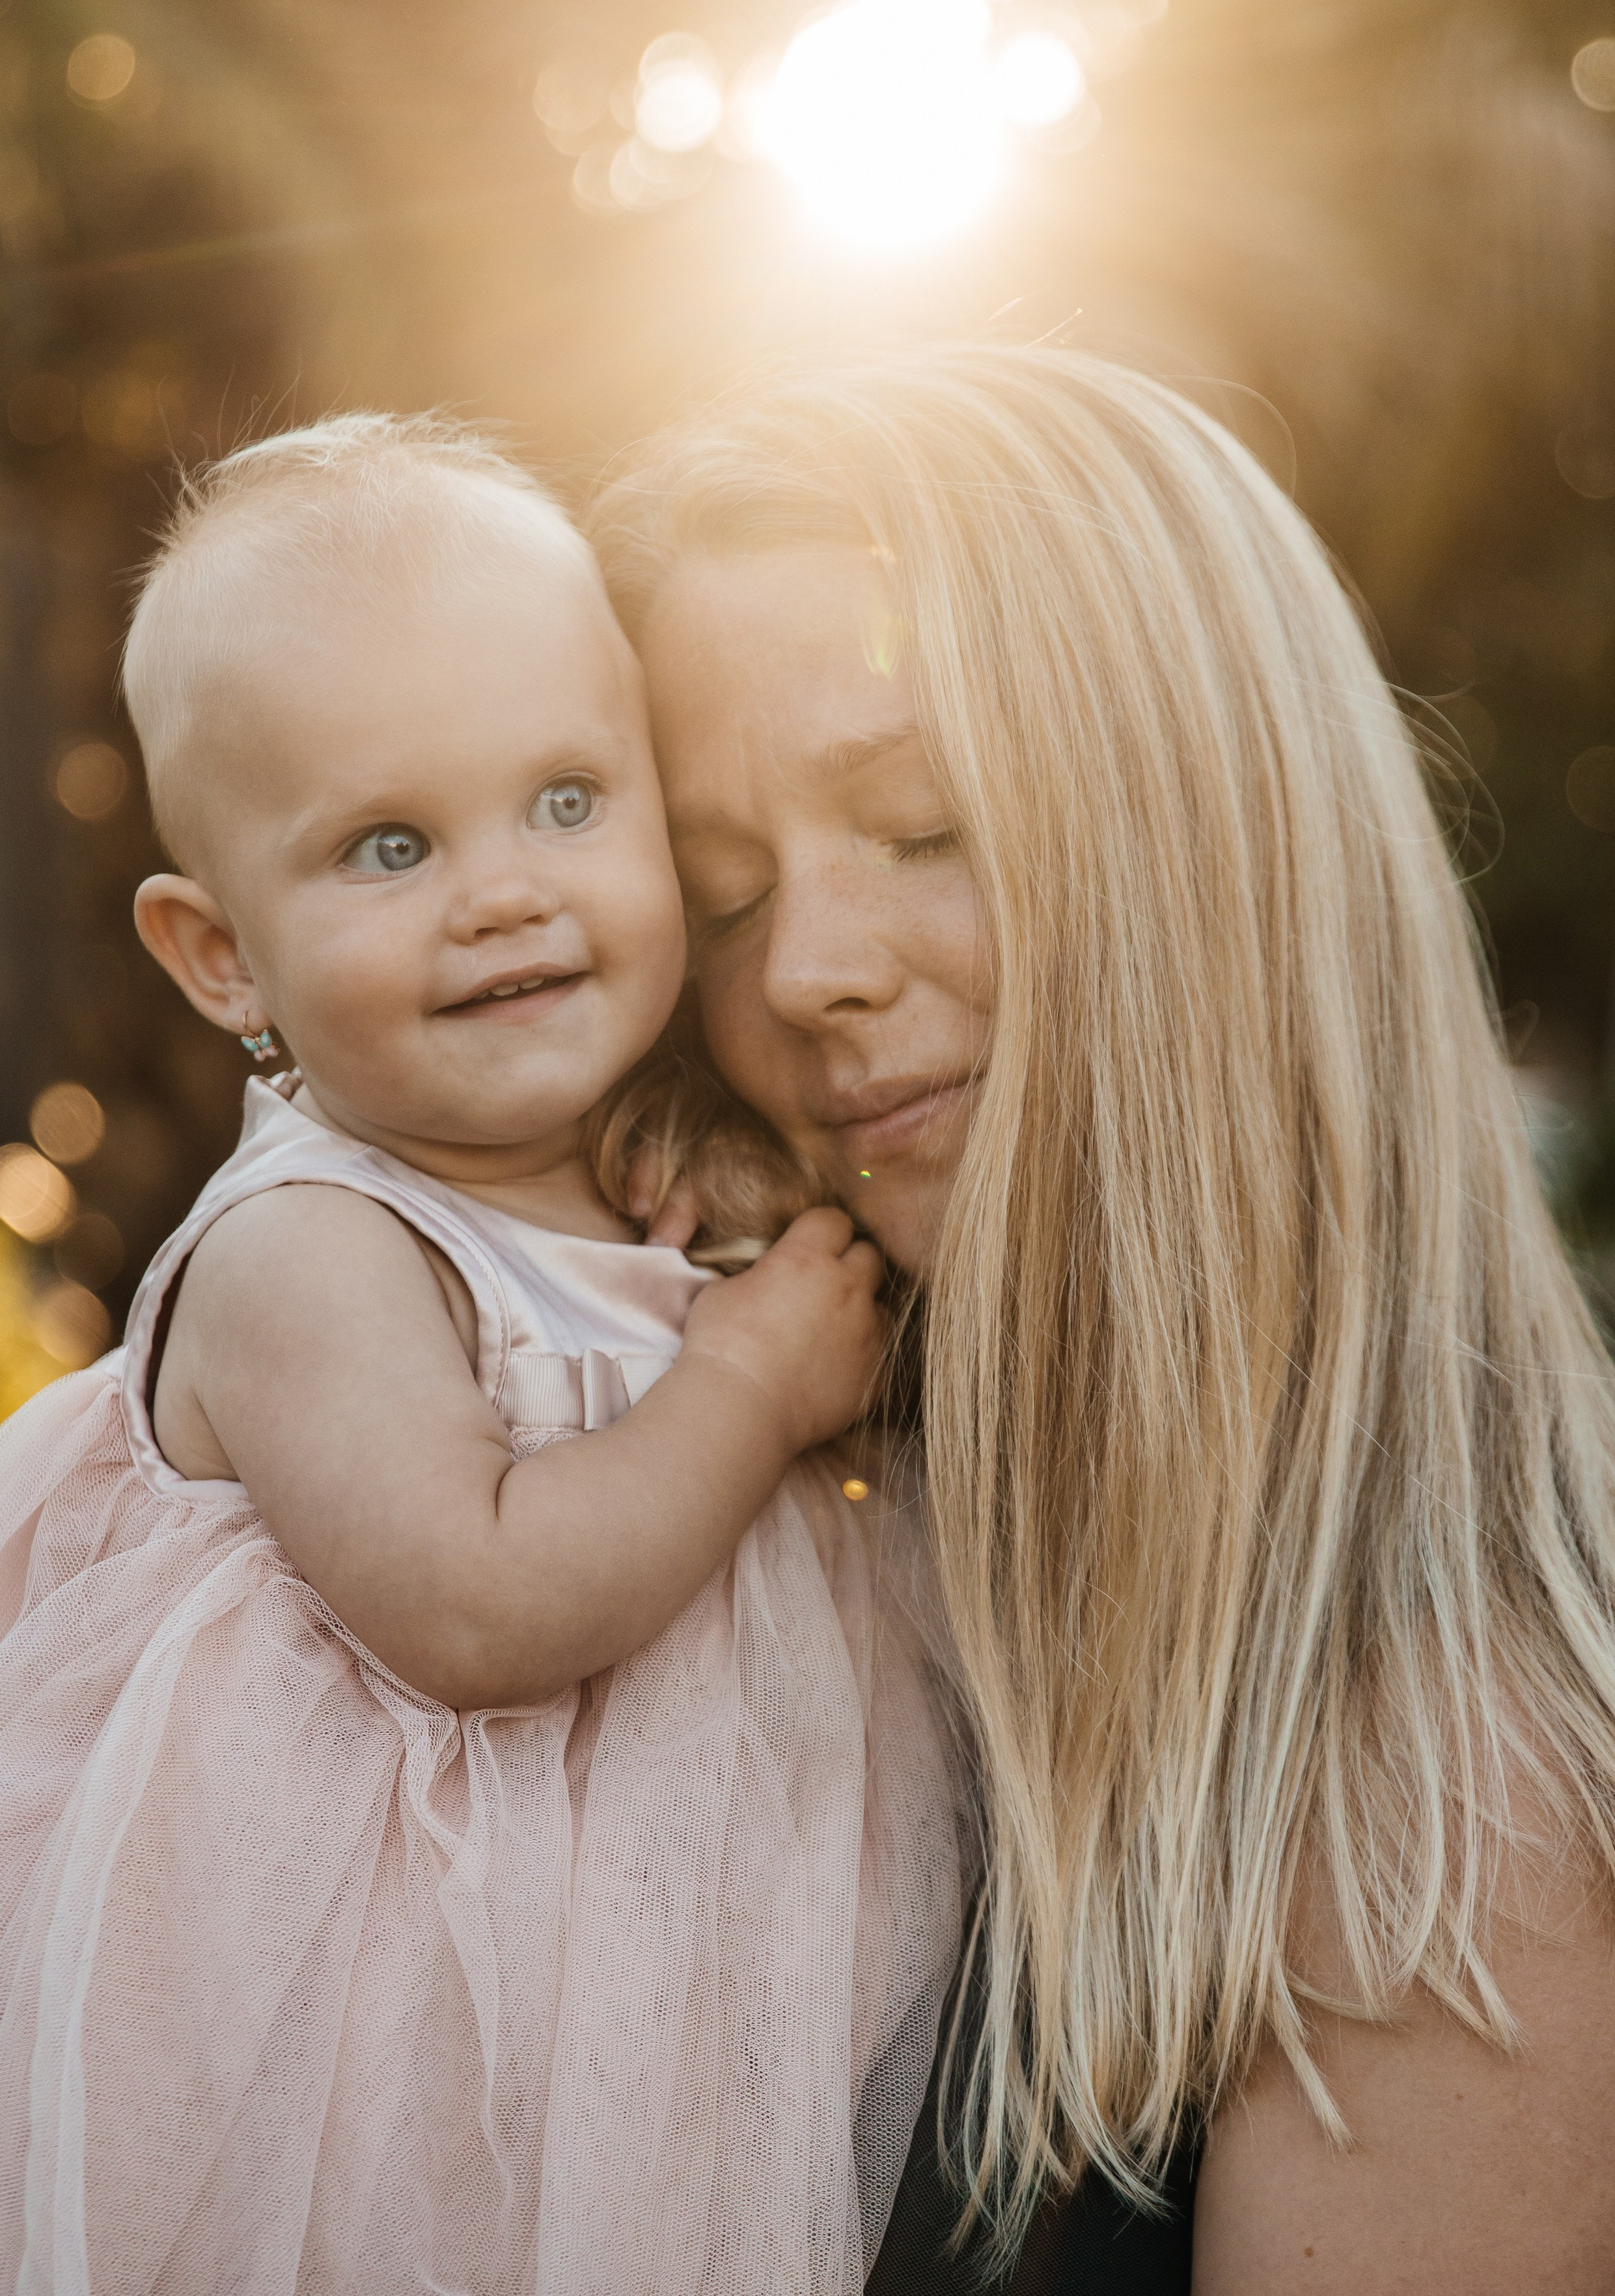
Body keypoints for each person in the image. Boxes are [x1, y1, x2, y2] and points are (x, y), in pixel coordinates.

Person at [590, 343, 1615, 2293]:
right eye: (723, 897)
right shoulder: (786, 1502)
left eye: (922, 823)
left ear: (1216, 837)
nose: (800, 970)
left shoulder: (1456, 1803)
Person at [0, 417, 964, 2295]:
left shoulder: (661, 1166)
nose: (502, 891)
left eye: (568, 801)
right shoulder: (309, 1254)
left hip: (659, 2011)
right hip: (374, 2085)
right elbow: (478, 1608)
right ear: (221, 956)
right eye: (389, 846)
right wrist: (747, 1385)